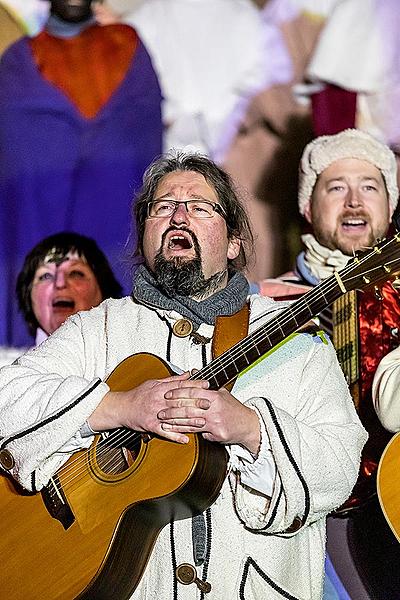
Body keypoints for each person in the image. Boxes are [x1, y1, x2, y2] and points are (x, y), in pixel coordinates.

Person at [0, 152, 366, 599]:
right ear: (146, 235)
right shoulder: (98, 328)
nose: (178, 215)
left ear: (233, 241)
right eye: (162, 206)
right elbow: (8, 397)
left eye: (198, 205)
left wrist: (251, 428)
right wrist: (119, 406)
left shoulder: (299, 343)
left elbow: (341, 463)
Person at [258, 128, 400, 599]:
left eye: (369, 186)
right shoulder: (266, 305)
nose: (354, 202)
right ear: (308, 206)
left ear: (391, 205)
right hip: (308, 519)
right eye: (336, 187)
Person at [0, 0, 162, 348]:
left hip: (114, 223)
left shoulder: (128, 50)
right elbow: (16, 181)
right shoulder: (17, 64)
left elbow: (144, 155)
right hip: (38, 230)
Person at [0, 231, 122, 366]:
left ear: (103, 291)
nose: (60, 283)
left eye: (76, 273)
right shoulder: (6, 373)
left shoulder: (130, 366)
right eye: (46, 276)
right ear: (28, 297)